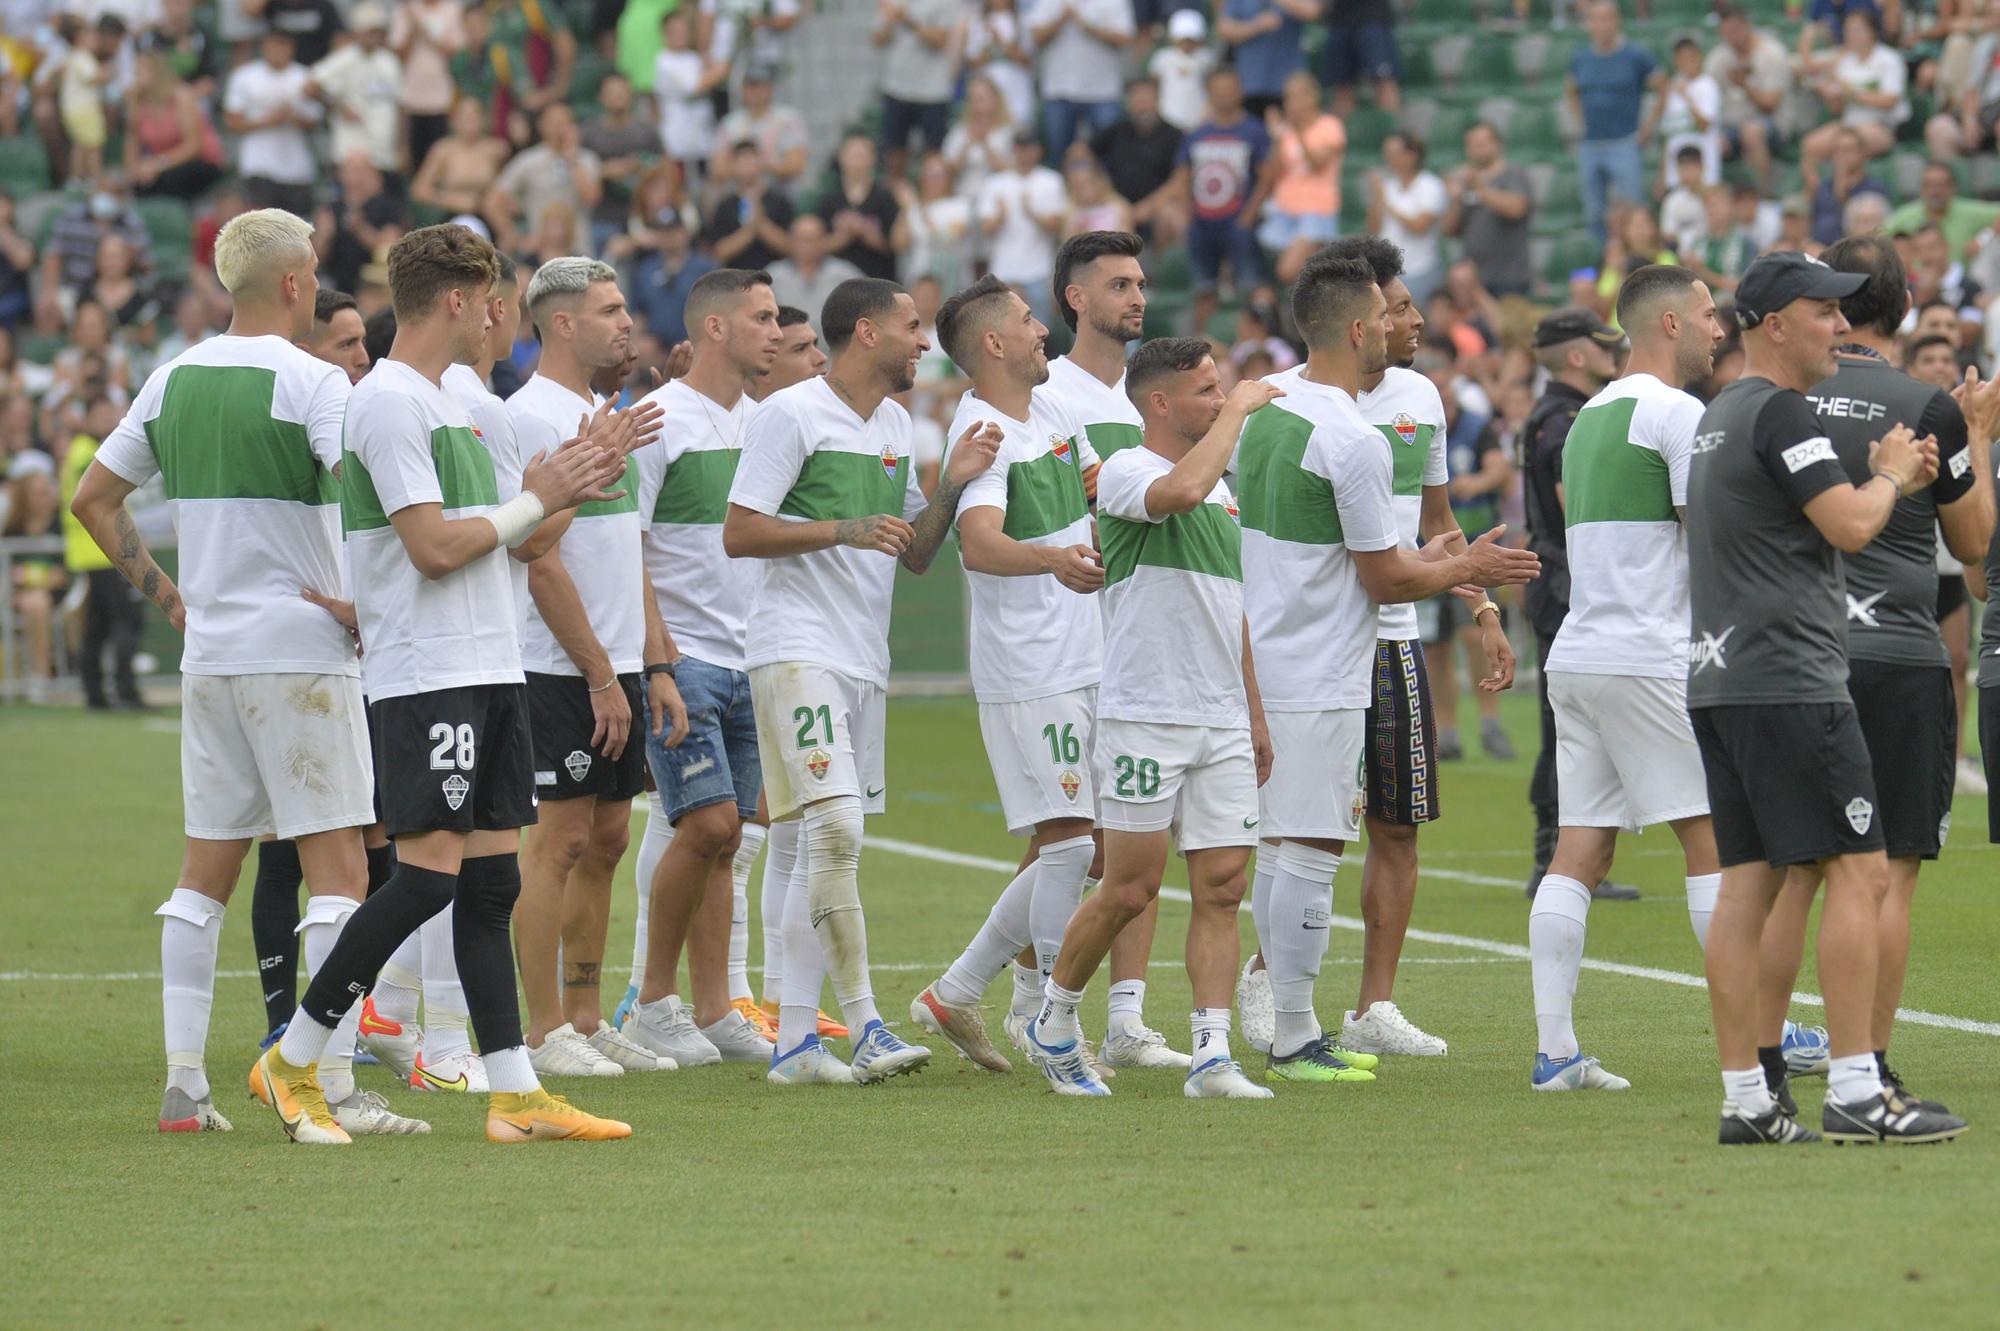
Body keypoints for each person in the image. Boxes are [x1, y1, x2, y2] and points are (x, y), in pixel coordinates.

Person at [251, 223, 638, 1145]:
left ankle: (514, 1093)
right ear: (458, 299)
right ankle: (293, 1057)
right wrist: (538, 497)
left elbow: (526, 539)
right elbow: (430, 549)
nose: (500, 315)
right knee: (424, 881)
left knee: (493, 882)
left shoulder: (464, 407)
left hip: (493, 665)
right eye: (492, 297)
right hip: (427, 674)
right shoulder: (386, 404)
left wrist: (577, 480)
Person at [65, 209, 399, 1137]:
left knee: (203, 871)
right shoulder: (313, 381)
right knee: (340, 876)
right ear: (296, 284)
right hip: (300, 654)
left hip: (210, 656)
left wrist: (167, 594)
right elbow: (372, 502)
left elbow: (94, 498)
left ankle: (184, 1082)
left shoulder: (171, 379)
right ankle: (327, 1085)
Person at [1235, 253, 1540, 1087]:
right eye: (1390, 310)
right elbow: (1391, 577)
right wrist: (1468, 568)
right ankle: (1292, 1031)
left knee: (1293, 840)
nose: (1406, 322)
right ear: (1360, 326)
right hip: (1327, 662)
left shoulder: (1262, 411)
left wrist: (1457, 586)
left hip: (1276, 651)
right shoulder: (1349, 435)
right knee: (1309, 847)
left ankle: (1310, 1020)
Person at [1686, 251, 1961, 1146]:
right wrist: (1889, 471)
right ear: (1774, 324)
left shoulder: (1719, 414)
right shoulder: (1779, 411)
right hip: (1791, 679)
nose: (1840, 328)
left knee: (1749, 887)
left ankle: (1748, 1099)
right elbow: (1849, 523)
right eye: (1821, 313)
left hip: (1723, 678)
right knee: (1861, 869)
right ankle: (1856, 1086)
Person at [722, 276, 1002, 1084]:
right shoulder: (790, 413)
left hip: (860, 657)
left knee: (824, 838)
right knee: (836, 826)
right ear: (868, 333)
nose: (925, 342)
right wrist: (840, 527)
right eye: (913, 327)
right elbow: (740, 531)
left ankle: (799, 1044)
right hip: (796, 648)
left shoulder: (893, 421)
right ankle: (870, 1022)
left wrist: (951, 480)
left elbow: (913, 553)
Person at [911, 275, 1185, 1074]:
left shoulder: (1056, 409)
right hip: (1031, 667)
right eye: (1029, 321)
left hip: (1088, 653)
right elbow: (981, 543)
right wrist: (1054, 558)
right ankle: (1043, 1019)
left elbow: (1098, 486)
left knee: (1089, 847)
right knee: (1070, 847)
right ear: (993, 344)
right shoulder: (985, 429)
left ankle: (960, 992)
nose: (1043, 331)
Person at [1759, 236, 1994, 1120]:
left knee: (1795, 871)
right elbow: (1974, 548)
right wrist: (1974, 432)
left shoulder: (1778, 399)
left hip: (1791, 652)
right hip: (1895, 654)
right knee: (1887, 870)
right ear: (1899, 305)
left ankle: (1761, 1068)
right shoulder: (1923, 404)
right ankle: (1872, 1068)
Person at [1018, 340, 1279, 1098]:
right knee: (1129, 887)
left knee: (1224, 885)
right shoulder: (1132, 470)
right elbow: (1180, 495)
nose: (1220, 397)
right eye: (1206, 389)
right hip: (1146, 715)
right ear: (1159, 403)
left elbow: (1231, 612)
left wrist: (1254, 713)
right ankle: (1056, 1019)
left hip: (1220, 718)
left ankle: (1211, 1055)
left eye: (1221, 388)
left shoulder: (1221, 489)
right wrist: (1239, 410)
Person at [1526, 267, 1730, 1091]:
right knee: (1715, 840)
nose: (1722, 329)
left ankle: (1556, 1049)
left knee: (1580, 850)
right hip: (1647, 654)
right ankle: (1758, 1032)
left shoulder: (1586, 420)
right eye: (1712, 315)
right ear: (1671, 323)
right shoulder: (1678, 412)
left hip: (1578, 652)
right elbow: (1708, 538)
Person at [508, 257, 683, 1077]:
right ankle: (541, 1030)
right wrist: (599, 677)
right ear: (563, 324)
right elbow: (537, 553)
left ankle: (585, 1013)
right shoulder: (529, 418)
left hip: (616, 665)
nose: (627, 321)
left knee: (608, 837)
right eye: (609, 310)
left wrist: (653, 663)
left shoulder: (606, 414)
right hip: (555, 667)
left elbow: (628, 550)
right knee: (560, 840)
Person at [621, 268, 785, 1068]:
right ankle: (652, 1000)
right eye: (761, 318)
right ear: (714, 329)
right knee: (707, 825)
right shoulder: (656, 422)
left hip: (758, 660)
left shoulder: (772, 422)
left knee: (733, 840)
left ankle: (718, 1007)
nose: (777, 332)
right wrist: (656, 657)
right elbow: (628, 549)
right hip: (685, 658)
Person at [1516, 308, 1627, 897]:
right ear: (1578, 355)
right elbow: (1578, 508)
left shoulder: (1553, 415)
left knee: (1568, 726)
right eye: (1604, 345)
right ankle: (1556, 858)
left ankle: (1557, 856)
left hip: (1553, 580)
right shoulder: (1565, 421)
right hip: (1565, 583)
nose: (1615, 354)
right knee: (1570, 729)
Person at [1175, 66, 1275, 336]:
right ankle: (1200, 346)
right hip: (1202, 223)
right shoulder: (1196, 134)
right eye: (1218, 91)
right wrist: (1188, 215)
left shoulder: (1254, 131)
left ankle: (1263, 344)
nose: (1224, 96)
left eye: (1230, 90)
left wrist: (1248, 217)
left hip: (1239, 222)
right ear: (1209, 93)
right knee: (1203, 288)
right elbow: (1182, 176)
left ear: (1240, 92)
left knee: (1252, 285)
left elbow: (1267, 177)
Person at [60, 398, 145, 713]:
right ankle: (126, 691)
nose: (110, 418)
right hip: (101, 550)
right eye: (103, 413)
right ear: (88, 418)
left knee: (98, 625)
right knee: (127, 620)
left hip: (92, 551)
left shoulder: (80, 450)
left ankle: (94, 694)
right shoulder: (86, 451)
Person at [1566, 0, 1662, 245]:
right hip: (1591, 143)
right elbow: (1571, 89)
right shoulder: (1581, 57)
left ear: (1617, 21)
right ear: (1589, 24)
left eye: (1608, 18)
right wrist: (1580, 121)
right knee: (1594, 213)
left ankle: (1638, 264)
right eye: (1597, 19)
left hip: (1624, 142)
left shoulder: (1635, 55)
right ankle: (1603, 262)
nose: (1602, 25)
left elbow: (1663, 85)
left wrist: (1648, 126)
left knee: (1633, 210)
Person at [1799, 10, 1909, 186]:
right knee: (1810, 145)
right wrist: (1830, 94)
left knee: (1847, 146)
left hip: (1881, 127)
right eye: (1847, 30)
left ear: (1871, 32)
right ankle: (1820, 195)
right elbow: (1837, 110)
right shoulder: (1846, 62)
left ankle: (1846, 193)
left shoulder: (1889, 59)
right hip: (1848, 125)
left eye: (1856, 30)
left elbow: (1890, 101)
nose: (1850, 35)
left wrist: (1853, 93)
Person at [1259, 70, 1345, 286]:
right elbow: (1274, 173)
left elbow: (1317, 164)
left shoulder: (1330, 126)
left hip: (1316, 210)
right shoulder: (1284, 132)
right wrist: (1277, 139)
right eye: (1289, 97)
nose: (1293, 103)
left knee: (1288, 271)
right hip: (1284, 210)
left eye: (1298, 95)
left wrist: (1297, 132)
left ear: (1313, 96)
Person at [224, 32, 322, 217]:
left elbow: (316, 121)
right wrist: (268, 121)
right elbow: (232, 121)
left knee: (297, 224)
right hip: (259, 164)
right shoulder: (245, 76)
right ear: (264, 47)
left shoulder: (305, 77)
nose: (279, 51)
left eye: (284, 45)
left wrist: (293, 118)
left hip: (296, 166)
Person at [484, 103, 602, 258]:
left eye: (565, 122)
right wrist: (515, 238)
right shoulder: (528, 161)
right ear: (541, 126)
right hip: (540, 252)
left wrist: (572, 159)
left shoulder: (587, 160)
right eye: (554, 123)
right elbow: (492, 202)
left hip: (579, 249)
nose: (560, 128)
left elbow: (591, 199)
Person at [977, 130, 1069, 325]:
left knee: (1041, 329)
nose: (1024, 153)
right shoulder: (995, 183)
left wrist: (1032, 213)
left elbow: (1057, 226)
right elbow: (985, 228)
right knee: (1003, 327)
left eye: (1029, 148)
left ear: (1038, 150)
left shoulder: (1051, 180)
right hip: (1004, 269)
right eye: (1020, 148)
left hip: (1039, 269)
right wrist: (1001, 217)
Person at [873, 0, 964, 182]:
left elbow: (940, 40)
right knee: (894, 156)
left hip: (933, 90)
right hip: (896, 87)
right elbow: (878, 39)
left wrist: (906, 20)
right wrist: (890, 22)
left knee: (934, 156)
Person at [308, 2, 402, 178]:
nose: (372, 37)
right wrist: (340, 107)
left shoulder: (390, 62)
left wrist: (402, 146)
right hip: (351, 152)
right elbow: (310, 86)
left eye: (377, 32)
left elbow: (400, 104)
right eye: (368, 32)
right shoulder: (345, 58)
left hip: (383, 152)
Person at [1441, 121, 1533, 300]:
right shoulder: (1464, 181)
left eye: (1482, 144)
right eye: (1472, 145)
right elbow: (1448, 230)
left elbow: (1516, 209)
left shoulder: (1514, 175)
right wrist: (1455, 200)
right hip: (1474, 279)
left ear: (1498, 145)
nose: (1477, 150)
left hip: (1510, 276)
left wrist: (1480, 189)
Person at [1027, 0, 1134, 153]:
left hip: (1103, 92)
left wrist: (1088, 26)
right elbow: (1035, 37)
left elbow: (1125, 38)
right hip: (1059, 91)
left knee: (1108, 154)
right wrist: (1062, 19)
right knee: (1060, 155)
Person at [1706, 2, 1791, 194]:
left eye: (1735, 31)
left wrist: (1745, 85)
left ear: (1747, 26)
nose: (1731, 37)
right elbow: (1707, 98)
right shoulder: (1719, 57)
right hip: (1730, 125)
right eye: (1726, 32)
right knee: (1710, 140)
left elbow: (1770, 104)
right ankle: (1713, 202)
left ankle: (1763, 195)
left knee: (1751, 133)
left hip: (1772, 126)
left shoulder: (1772, 54)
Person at [1091, 78, 1187, 247]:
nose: (1142, 105)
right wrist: (1107, 195)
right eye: (1137, 99)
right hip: (1115, 202)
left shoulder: (1175, 135)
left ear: (1158, 100)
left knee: (1172, 217)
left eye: (1147, 99)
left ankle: (1166, 271)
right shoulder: (1115, 131)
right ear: (1128, 103)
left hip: (1157, 205)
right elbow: (1081, 155)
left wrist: (1148, 207)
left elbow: (1180, 181)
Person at [124, 50, 224, 201]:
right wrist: (135, 170)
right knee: (139, 184)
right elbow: (132, 142)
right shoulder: (140, 102)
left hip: (199, 162)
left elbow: (194, 147)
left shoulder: (182, 97)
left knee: (167, 182)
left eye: (139, 73)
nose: (135, 79)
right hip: (162, 165)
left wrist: (157, 164)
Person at [1365, 131, 1445, 306]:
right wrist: (1377, 199)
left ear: (1413, 155)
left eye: (1395, 154)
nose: (1390, 160)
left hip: (1420, 268)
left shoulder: (1430, 185)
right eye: (1387, 155)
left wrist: (1386, 202)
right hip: (1389, 271)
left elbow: (1419, 226)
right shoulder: (1388, 186)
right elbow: (1372, 228)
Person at [389, 0, 464, 174]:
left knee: (442, 161)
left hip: (443, 99)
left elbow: (453, 51)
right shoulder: (406, 10)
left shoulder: (451, 9)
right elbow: (399, 53)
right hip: (412, 99)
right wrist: (412, 28)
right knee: (416, 161)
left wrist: (421, 25)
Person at [410, 96, 511, 221]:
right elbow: (419, 190)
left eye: (475, 115)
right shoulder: (443, 150)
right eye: (464, 116)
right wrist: (453, 200)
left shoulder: (496, 149)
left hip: (487, 214)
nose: (470, 120)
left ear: (484, 119)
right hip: (451, 215)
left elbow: (508, 186)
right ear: (454, 121)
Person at [817, 134, 901, 283]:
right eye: (852, 155)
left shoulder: (886, 197)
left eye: (862, 155)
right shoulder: (828, 200)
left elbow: (894, 245)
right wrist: (844, 235)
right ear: (840, 158)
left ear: (872, 158)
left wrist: (864, 230)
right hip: (838, 282)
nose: (857, 161)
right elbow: (818, 245)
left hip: (879, 279)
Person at [704, 140, 796, 272]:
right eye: (741, 161)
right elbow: (718, 252)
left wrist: (761, 223)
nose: (747, 166)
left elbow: (790, 248)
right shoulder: (724, 207)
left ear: (761, 162)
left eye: (751, 159)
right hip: (736, 277)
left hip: (775, 277)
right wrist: (749, 230)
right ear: (732, 166)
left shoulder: (780, 202)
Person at [767, 215, 863, 336]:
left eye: (813, 239)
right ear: (791, 241)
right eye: (802, 239)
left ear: (824, 240)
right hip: (786, 348)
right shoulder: (774, 275)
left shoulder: (844, 274)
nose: (807, 246)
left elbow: (867, 309)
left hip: (834, 349)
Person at [1215, 0, 1311, 119]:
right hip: (1250, 84)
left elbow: (1313, 11)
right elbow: (1224, 29)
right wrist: (1257, 25)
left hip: (1288, 86)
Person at [1320, 0, 1401, 119]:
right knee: (1341, 86)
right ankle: (1340, 136)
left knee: (1384, 82)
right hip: (1339, 19)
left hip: (1372, 18)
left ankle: (1393, 134)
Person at [1149, 9, 1215, 132]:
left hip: (1199, 114)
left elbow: (1212, 83)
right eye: (1183, 39)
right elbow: (1154, 82)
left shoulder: (1206, 57)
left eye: (1191, 40)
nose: (1187, 44)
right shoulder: (1163, 57)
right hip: (1168, 113)